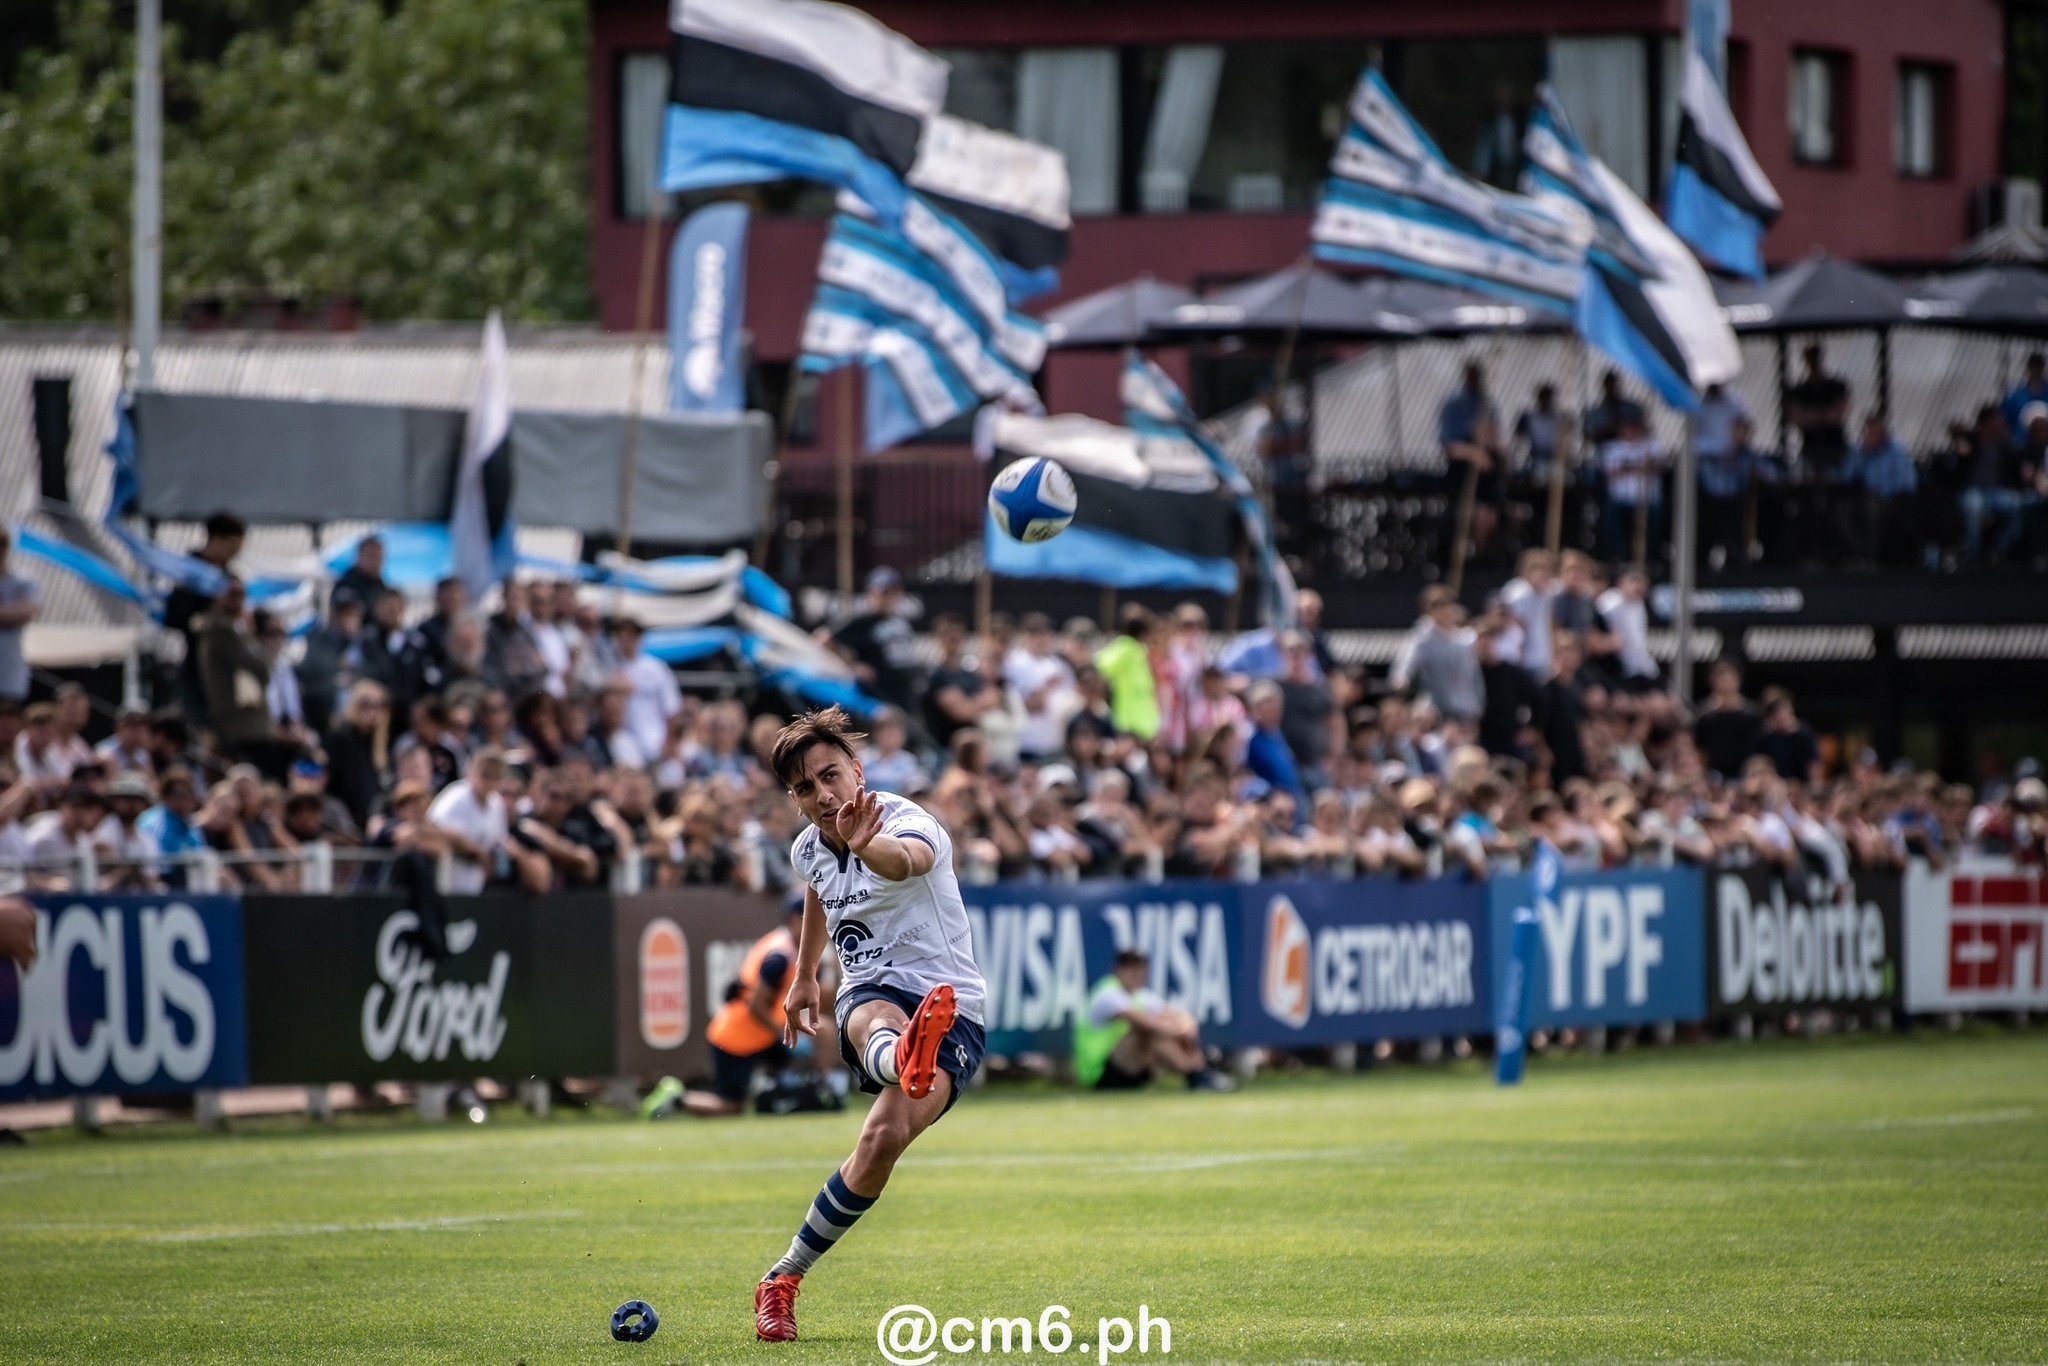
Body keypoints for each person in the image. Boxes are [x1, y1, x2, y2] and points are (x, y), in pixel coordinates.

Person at [751, 707, 987, 1342]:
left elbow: (905, 863)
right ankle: (900, 1054)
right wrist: (803, 974)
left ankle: (782, 1272)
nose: (823, 795)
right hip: (872, 991)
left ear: (857, 770)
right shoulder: (808, 844)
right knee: (869, 1014)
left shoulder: (908, 821)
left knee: (881, 1139)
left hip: (951, 1005)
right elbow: (817, 887)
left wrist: (865, 844)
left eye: (831, 776)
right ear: (794, 798)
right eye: (805, 788)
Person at [685, 898, 839, 1116]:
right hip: (737, 1038)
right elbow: (755, 1005)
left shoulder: (805, 953)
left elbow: (823, 1002)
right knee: (731, 1106)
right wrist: (780, 1035)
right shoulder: (779, 955)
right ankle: (675, 1099)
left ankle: (824, 1091)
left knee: (823, 1030)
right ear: (794, 920)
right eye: (812, 920)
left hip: (766, 1034)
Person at [1073, 948, 1232, 1092]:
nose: (1137, 974)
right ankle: (1197, 1073)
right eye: (1130, 969)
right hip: (1100, 1073)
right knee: (1149, 1031)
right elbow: (1144, 1023)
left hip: (1132, 1069)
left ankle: (1198, 1071)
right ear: (1117, 970)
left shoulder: (1140, 995)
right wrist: (1180, 1032)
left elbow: (1181, 1016)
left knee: (1164, 1026)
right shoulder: (1107, 994)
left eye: (1140, 969)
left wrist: (1187, 1030)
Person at [162, 511, 245, 719]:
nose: (233, 555)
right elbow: (175, 617)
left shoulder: (228, 578)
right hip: (198, 666)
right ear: (216, 540)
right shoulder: (190, 574)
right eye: (232, 548)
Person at [828, 567, 920, 716]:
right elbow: (824, 639)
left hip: (903, 697)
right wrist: (852, 666)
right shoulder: (863, 622)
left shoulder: (902, 620)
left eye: (894, 592)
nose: (889, 597)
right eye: (884, 593)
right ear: (872, 593)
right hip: (877, 699)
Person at [1836, 413, 1919, 566]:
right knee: (1842, 510)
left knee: (1872, 508)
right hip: (1864, 497)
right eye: (1868, 430)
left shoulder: (1896, 451)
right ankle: (1860, 553)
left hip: (1891, 499)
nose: (1870, 433)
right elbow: (1846, 477)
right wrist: (1862, 454)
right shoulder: (1861, 450)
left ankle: (1873, 556)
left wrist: (1882, 494)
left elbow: (1905, 483)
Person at [426, 748, 510, 894]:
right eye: (484, 774)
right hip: (444, 880)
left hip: (475, 883)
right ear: (470, 771)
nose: (488, 780)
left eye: (494, 776)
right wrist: (476, 850)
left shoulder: (497, 804)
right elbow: (434, 829)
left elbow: (498, 841)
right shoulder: (455, 797)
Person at [1403, 586, 1483, 727]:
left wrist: (1480, 703)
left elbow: (1474, 675)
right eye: (1438, 607)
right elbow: (1406, 664)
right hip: (1440, 713)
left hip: (1468, 711)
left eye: (1447, 606)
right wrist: (1402, 678)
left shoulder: (1464, 639)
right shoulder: (1422, 638)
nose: (1444, 611)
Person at [613, 618, 683, 764]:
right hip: (624, 741)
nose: (627, 639)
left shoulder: (656, 668)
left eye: (632, 634)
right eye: (623, 634)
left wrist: (669, 742)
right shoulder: (610, 666)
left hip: (656, 741)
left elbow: (672, 709)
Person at [1600, 414, 1666, 565]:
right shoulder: (1612, 447)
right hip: (1621, 499)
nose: (1630, 430)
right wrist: (1639, 467)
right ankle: (1618, 557)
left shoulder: (1651, 445)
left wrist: (1630, 467)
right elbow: (1611, 471)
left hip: (1647, 498)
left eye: (1633, 427)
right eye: (1627, 427)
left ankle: (1650, 557)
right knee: (1611, 517)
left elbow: (1657, 466)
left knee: (1655, 519)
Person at [1786, 342, 1850, 474]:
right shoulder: (1799, 391)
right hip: (1809, 449)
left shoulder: (1836, 386)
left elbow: (1838, 415)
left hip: (1836, 449)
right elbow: (1797, 417)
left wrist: (1811, 416)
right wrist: (1824, 415)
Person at [0, 527, 37, 705]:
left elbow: (27, 611)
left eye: (2, 543)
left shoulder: (23, 581)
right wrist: (9, 611)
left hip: (9, 679)